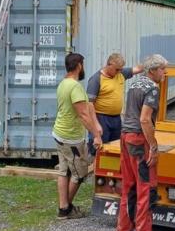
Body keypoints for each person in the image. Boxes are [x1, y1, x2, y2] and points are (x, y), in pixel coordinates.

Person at [117, 53, 168, 231]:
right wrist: (153, 146)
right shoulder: (152, 89)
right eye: (162, 69)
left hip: (125, 136)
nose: (165, 72)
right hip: (139, 140)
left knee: (128, 185)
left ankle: (124, 230)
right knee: (145, 188)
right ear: (153, 70)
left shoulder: (134, 84)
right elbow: (145, 119)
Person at [52, 52, 102, 220]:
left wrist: (95, 123)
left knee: (64, 171)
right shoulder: (75, 86)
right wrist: (96, 134)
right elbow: (82, 114)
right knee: (79, 174)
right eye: (83, 65)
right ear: (79, 65)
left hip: (59, 133)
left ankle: (63, 207)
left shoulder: (63, 83)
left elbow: (87, 106)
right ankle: (66, 209)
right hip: (71, 138)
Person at [86, 53, 143, 155]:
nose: (119, 72)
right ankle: (96, 168)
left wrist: (153, 64)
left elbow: (138, 69)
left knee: (115, 147)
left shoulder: (120, 73)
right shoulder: (96, 79)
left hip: (116, 119)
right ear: (109, 64)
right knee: (100, 148)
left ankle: (112, 170)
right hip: (101, 118)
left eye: (121, 69)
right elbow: (90, 104)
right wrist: (96, 125)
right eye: (117, 69)